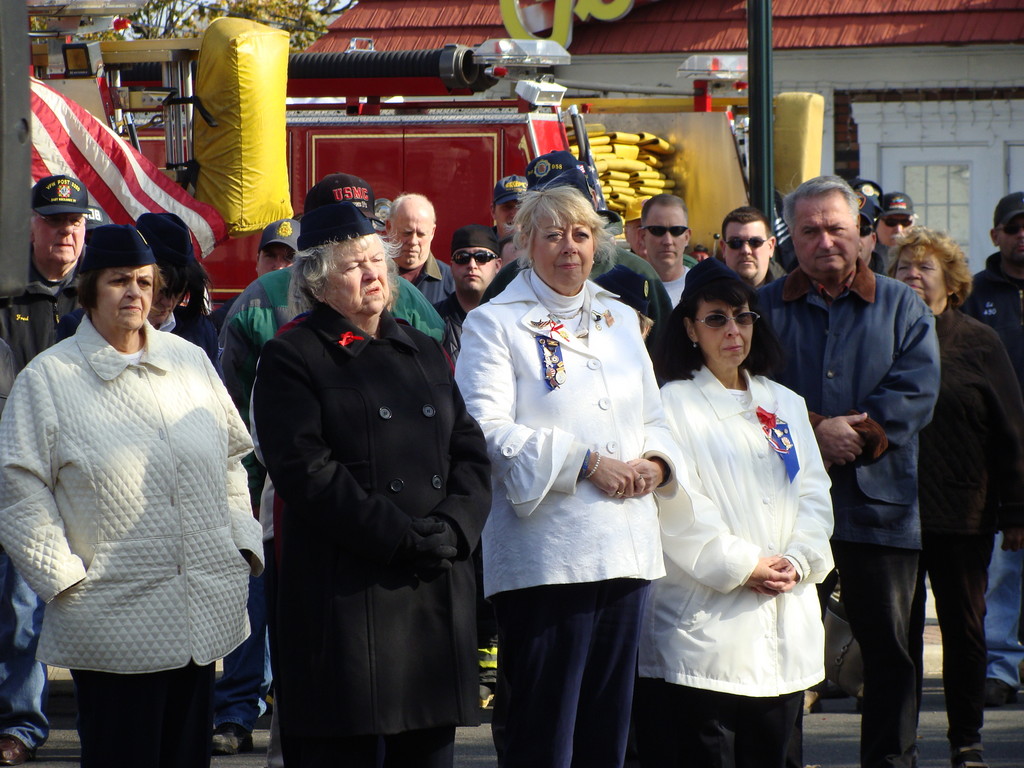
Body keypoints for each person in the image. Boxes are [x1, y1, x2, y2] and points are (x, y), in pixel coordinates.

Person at [0, 224, 263, 768]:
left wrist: (239, 541)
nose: (135, 293)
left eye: (145, 281)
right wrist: (64, 580)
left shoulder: (189, 361)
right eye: (120, 280)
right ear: (90, 288)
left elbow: (232, 458)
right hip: (110, 620)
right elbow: (18, 490)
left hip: (199, 614)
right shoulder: (48, 379)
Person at [252, 201, 491, 768]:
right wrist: (398, 536)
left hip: (431, 586)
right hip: (348, 598)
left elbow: (470, 450)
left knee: (426, 754)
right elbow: (307, 473)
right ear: (317, 281)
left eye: (375, 260)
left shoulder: (422, 346)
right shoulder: (293, 355)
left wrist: (456, 527)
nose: (373, 273)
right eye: (353, 265)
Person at [455, 184, 679, 768]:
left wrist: (656, 464)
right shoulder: (493, 324)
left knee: (609, 731)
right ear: (526, 243)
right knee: (544, 729)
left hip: (626, 548)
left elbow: (656, 415)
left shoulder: (620, 317)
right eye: (552, 235)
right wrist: (585, 461)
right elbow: (483, 428)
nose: (569, 247)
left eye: (580, 234)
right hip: (548, 557)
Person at [759, 176, 940, 768]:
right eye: (809, 230)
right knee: (782, 649)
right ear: (794, 239)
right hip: (783, 507)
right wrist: (813, 429)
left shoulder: (901, 304)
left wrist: (852, 435)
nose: (824, 240)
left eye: (836, 227)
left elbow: (915, 392)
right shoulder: (762, 309)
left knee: (889, 653)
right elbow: (747, 396)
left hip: (879, 507)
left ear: (860, 229)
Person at [635, 258, 833, 768]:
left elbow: (813, 491)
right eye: (716, 318)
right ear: (689, 328)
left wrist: (798, 558)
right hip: (705, 630)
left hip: (785, 616)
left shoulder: (784, 403)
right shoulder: (669, 405)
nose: (732, 331)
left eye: (742, 318)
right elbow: (679, 507)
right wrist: (745, 564)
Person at [889, 226, 1024, 768]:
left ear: (951, 282)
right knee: (898, 639)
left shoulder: (978, 341)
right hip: (892, 513)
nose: (913, 277)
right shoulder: (882, 336)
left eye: (925, 269)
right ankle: (899, 743)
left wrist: (1016, 512)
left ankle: (965, 740)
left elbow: (1011, 431)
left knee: (965, 632)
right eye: (903, 268)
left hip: (963, 512)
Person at [0, 173, 92, 766]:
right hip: (20, 475)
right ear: (32, 227)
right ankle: (20, 724)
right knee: (18, 605)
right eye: (54, 222)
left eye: (74, 222)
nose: (65, 232)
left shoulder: (99, 296)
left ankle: (100, 720)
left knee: (89, 601)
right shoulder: (8, 296)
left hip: (87, 476)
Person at [481, 150, 674, 348]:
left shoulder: (637, 274)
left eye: (568, 200)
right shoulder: (507, 282)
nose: (569, 246)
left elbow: (667, 357)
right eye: (542, 203)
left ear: (591, 200)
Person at [961, 191, 1024, 708]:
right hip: (999, 451)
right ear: (996, 235)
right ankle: (1000, 666)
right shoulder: (977, 293)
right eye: (1014, 227)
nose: (1023, 235)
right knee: (1006, 566)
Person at [210, 218, 300, 333]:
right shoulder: (231, 314)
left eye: (289, 257)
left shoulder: (315, 313)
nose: (278, 266)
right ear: (257, 261)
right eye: (271, 256)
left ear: (303, 263)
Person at [435, 225, 502, 362]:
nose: (472, 265)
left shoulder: (511, 320)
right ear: (451, 266)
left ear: (497, 265)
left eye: (481, 257)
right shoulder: (432, 320)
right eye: (462, 257)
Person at [387, 193, 455, 304]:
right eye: (406, 233)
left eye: (421, 234)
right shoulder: (373, 275)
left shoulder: (450, 281)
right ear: (389, 227)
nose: (413, 241)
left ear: (432, 232)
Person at [639, 194, 691, 305]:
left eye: (676, 230)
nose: (667, 241)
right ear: (642, 236)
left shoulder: (702, 288)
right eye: (657, 230)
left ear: (687, 237)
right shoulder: (626, 289)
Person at [719, 206, 785, 288]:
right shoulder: (704, 295)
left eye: (755, 242)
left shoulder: (793, 293)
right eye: (735, 243)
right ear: (723, 248)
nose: (746, 250)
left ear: (771, 246)